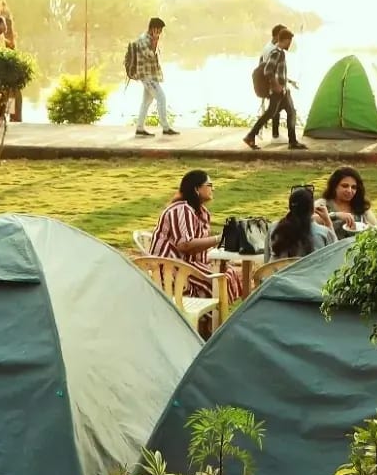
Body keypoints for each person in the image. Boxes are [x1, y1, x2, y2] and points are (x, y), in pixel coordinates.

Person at [149, 169, 241, 301]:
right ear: (197, 189)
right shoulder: (181, 209)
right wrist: (220, 238)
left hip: (185, 264)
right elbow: (185, 245)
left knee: (228, 272)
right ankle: (212, 313)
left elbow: (198, 247)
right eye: (209, 185)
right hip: (170, 270)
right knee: (222, 280)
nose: (213, 189)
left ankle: (214, 312)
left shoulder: (201, 212)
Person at [245, 28, 305, 149]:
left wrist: (287, 83)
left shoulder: (280, 52)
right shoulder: (276, 53)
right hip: (277, 91)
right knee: (270, 113)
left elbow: (278, 72)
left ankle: (292, 142)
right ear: (284, 40)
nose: (290, 44)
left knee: (291, 112)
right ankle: (250, 136)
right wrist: (276, 85)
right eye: (289, 41)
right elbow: (268, 70)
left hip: (283, 90)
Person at [130, 17, 178, 138]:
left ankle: (139, 128)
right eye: (159, 30)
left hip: (151, 75)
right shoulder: (143, 40)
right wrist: (155, 41)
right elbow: (150, 55)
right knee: (161, 98)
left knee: (146, 102)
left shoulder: (150, 39)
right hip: (147, 76)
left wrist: (155, 41)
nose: (160, 32)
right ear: (153, 28)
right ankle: (165, 128)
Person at [266, 185, 337, 260]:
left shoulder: (274, 228)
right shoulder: (323, 233)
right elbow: (337, 254)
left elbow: (267, 260)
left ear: (290, 207)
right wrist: (328, 221)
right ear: (312, 209)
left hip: (279, 267)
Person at [317, 166, 377, 236]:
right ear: (334, 186)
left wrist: (367, 228)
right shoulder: (323, 203)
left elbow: (376, 228)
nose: (349, 191)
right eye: (345, 186)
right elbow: (310, 220)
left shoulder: (361, 206)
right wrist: (336, 215)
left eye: (353, 187)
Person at [0, 0, 22, 121]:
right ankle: (0, 116)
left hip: (7, 74)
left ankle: (10, 116)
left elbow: (11, 49)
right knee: (6, 94)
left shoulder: (5, 39)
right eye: (4, 24)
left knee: (12, 94)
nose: (6, 27)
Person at [260, 24, 287, 140]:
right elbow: (269, 70)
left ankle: (275, 135)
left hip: (276, 85)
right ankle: (275, 135)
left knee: (276, 109)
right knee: (274, 110)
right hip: (274, 86)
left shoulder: (269, 47)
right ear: (277, 36)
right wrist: (276, 85)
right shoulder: (272, 50)